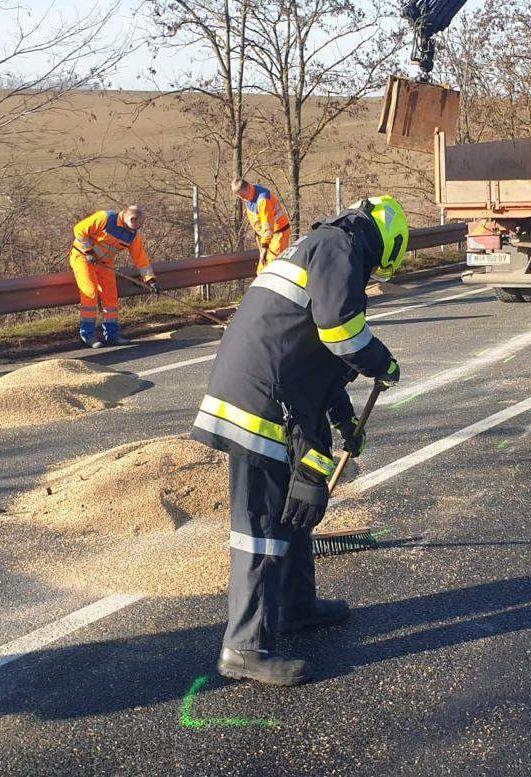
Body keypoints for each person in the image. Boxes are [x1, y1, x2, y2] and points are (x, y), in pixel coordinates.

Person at [190, 195, 408, 686]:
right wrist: (380, 361)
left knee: (295, 507)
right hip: (260, 403)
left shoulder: (322, 246)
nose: (371, 276)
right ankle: (244, 647)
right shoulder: (342, 246)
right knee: (262, 524)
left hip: (272, 393)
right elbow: (341, 334)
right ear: (384, 244)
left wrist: (344, 418)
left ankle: (295, 606)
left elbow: (318, 356)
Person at [69, 205, 159, 348]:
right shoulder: (104, 218)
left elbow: (141, 258)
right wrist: (88, 251)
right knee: (90, 292)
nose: (134, 231)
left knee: (111, 296)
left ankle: (112, 335)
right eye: (135, 226)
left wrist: (150, 279)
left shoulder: (134, 235)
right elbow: (79, 230)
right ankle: (88, 335)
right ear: (131, 218)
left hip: (105, 263)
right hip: (83, 258)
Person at [231, 178, 292, 274]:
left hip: (278, 235)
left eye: (242, 195)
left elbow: (267, 228)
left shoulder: (263, 200)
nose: (242, 198)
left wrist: (263, 249)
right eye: (239, 196)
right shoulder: (250, 196)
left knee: (272, 270)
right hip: (267, 238)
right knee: (261, 272)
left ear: (248, 187)